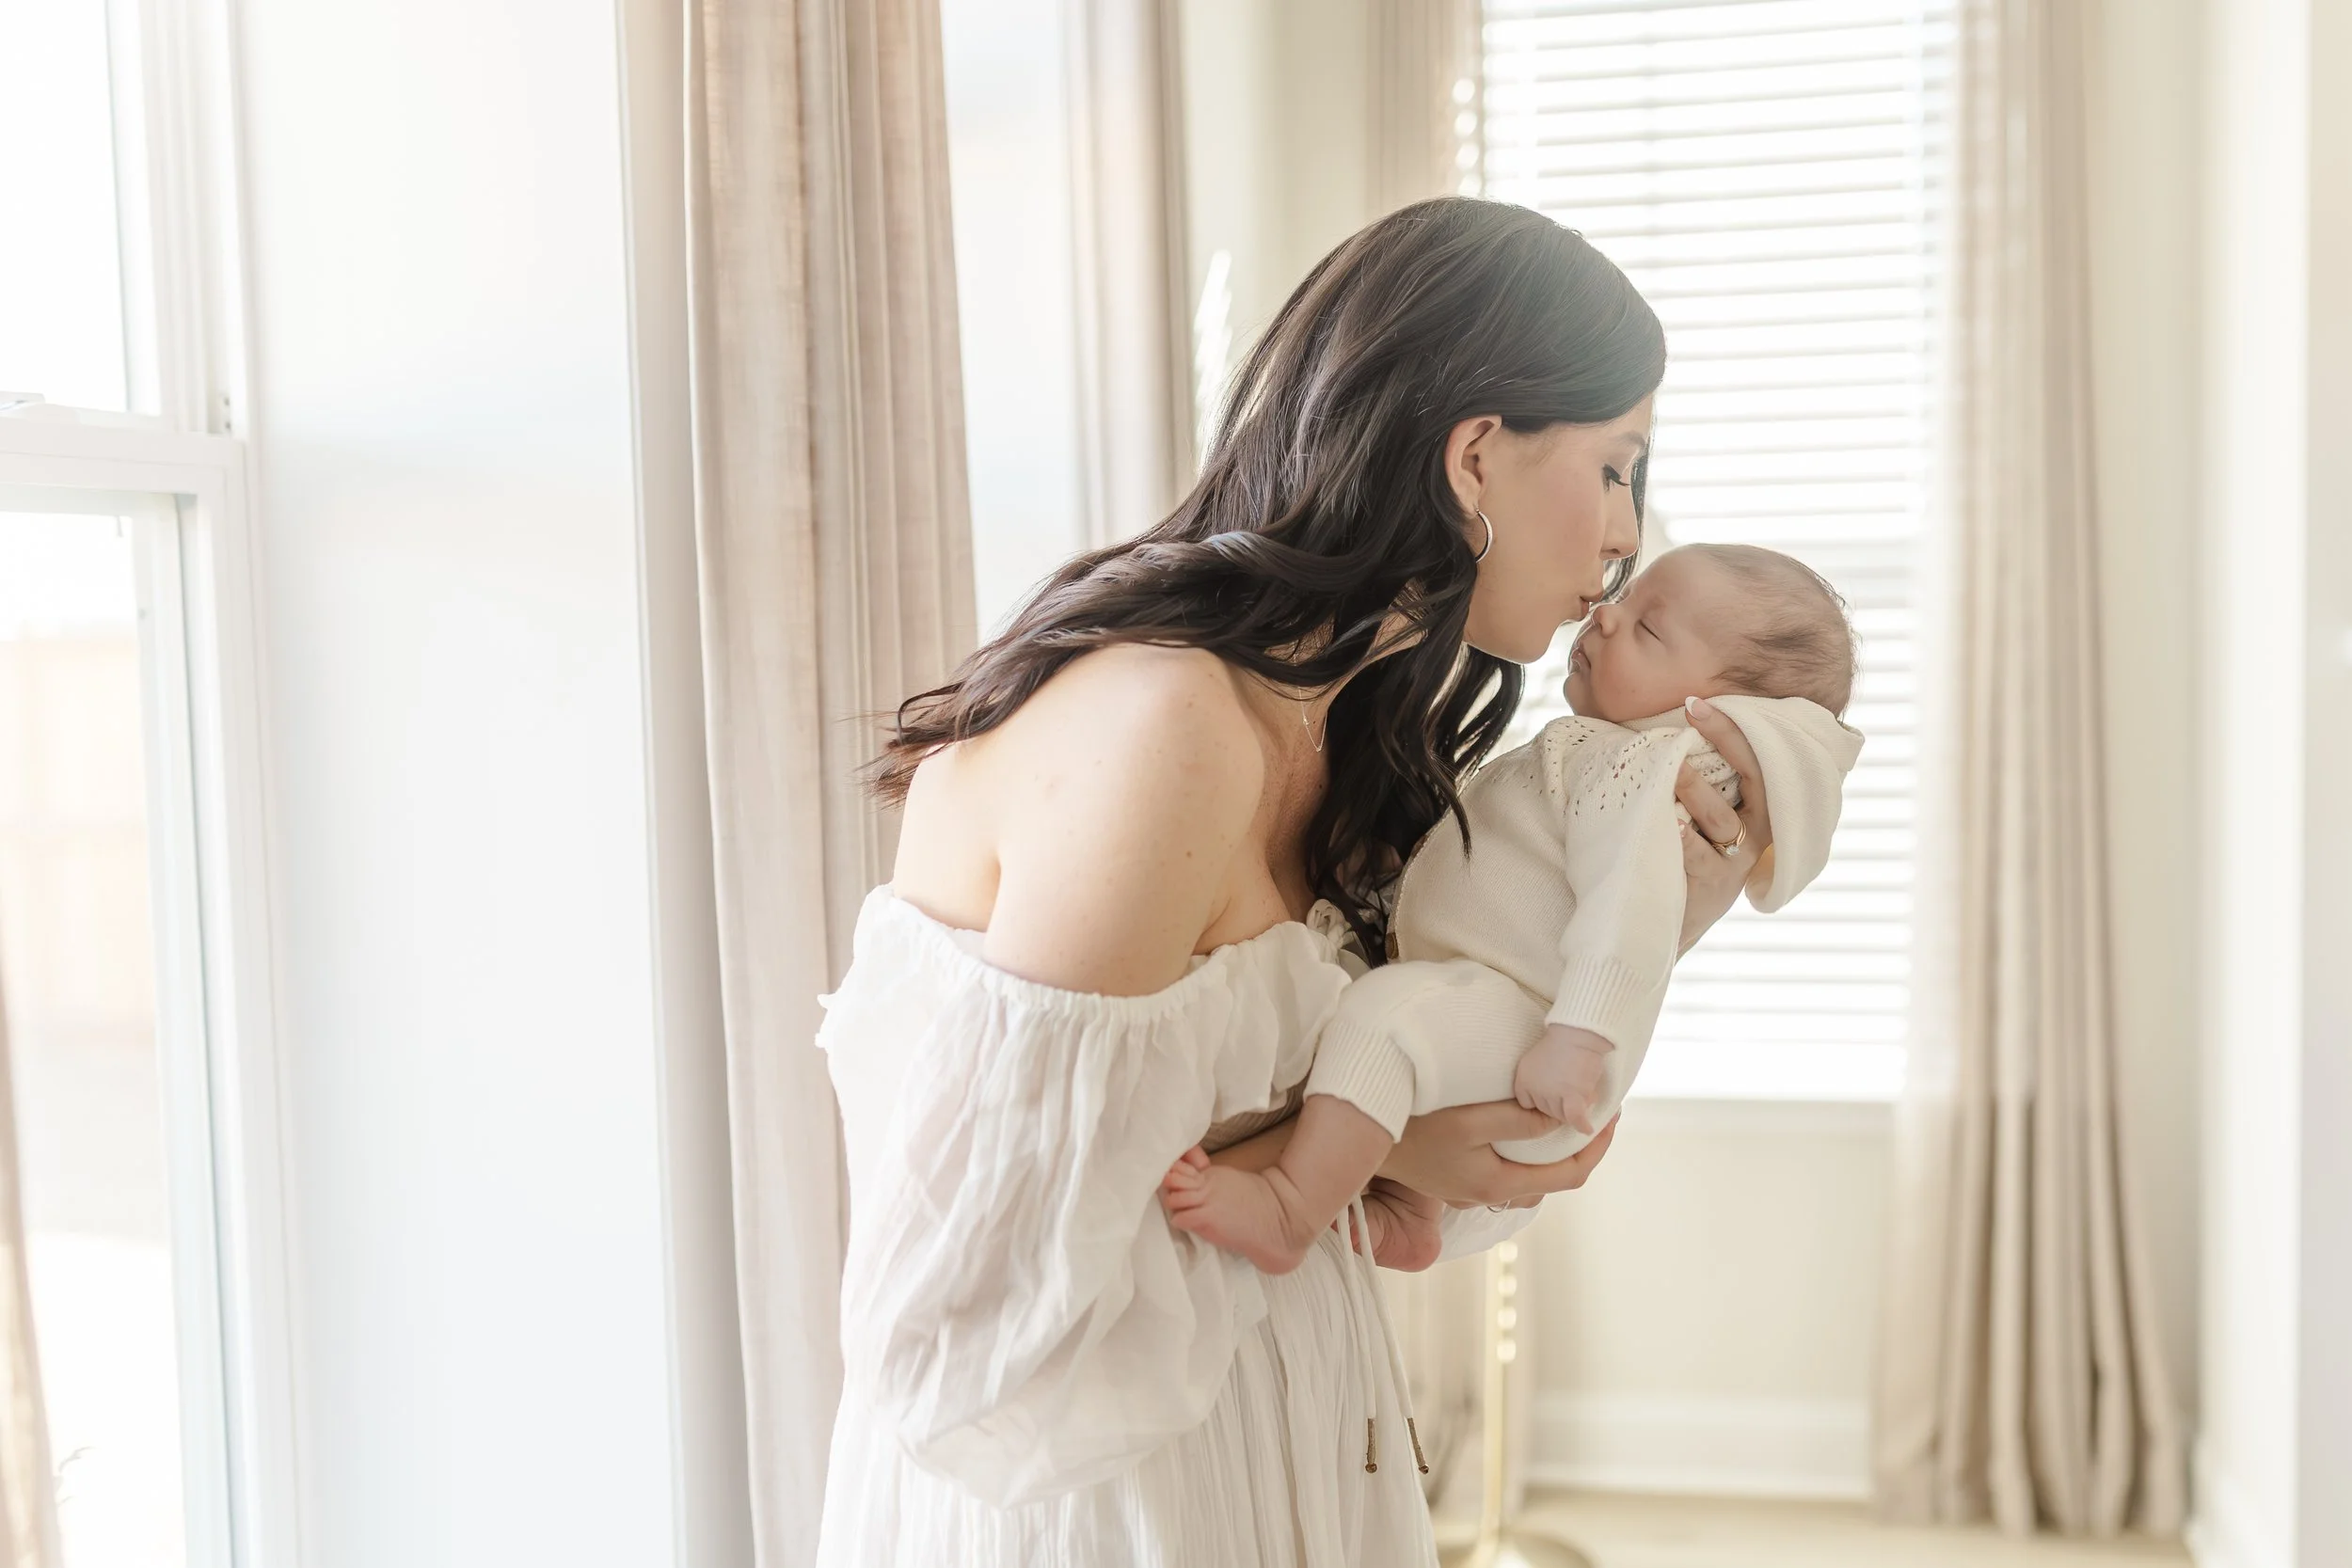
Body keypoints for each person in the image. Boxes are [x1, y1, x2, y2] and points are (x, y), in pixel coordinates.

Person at [812, 198, 1773, 1568]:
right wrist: (1368, 1144)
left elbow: (1425, 1164)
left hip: (1275, 1444)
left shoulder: (1349, 730)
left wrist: (1659, 907)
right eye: (1617, 466)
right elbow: (984, 1335)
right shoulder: (1168, 730)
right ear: (1478, 455)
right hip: (1097, 1503)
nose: (1627, 535)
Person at [1160, 544, 1866, 1275]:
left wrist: (1580, 1036)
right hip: (1503, 1007)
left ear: (1719, 712)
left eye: (1649, 630)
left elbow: (1632, 910)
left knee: (1384, 1021)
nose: (1606, 614)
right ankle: (1409, 1208)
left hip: (1541, 1035)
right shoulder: (1599, 750)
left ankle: (1289, 1207)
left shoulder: (1642, 769)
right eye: (1625, 599)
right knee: (1393, 1009)